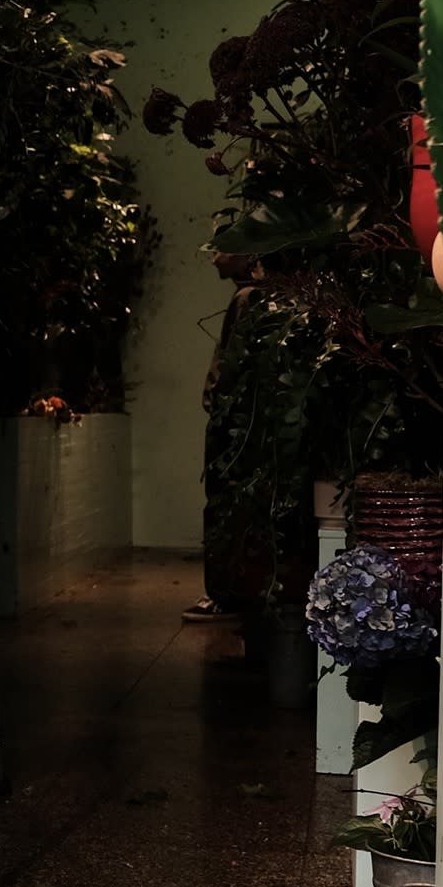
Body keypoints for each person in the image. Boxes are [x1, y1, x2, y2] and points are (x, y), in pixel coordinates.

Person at [185, 251, 262, 623]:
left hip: (232, 424)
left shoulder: (248, 299)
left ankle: (224, 595)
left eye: (222, 247)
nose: (213, 257)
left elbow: (233, 367)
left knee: (222, 503)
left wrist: (222, 410)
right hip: (231, 420)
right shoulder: (246, 298)